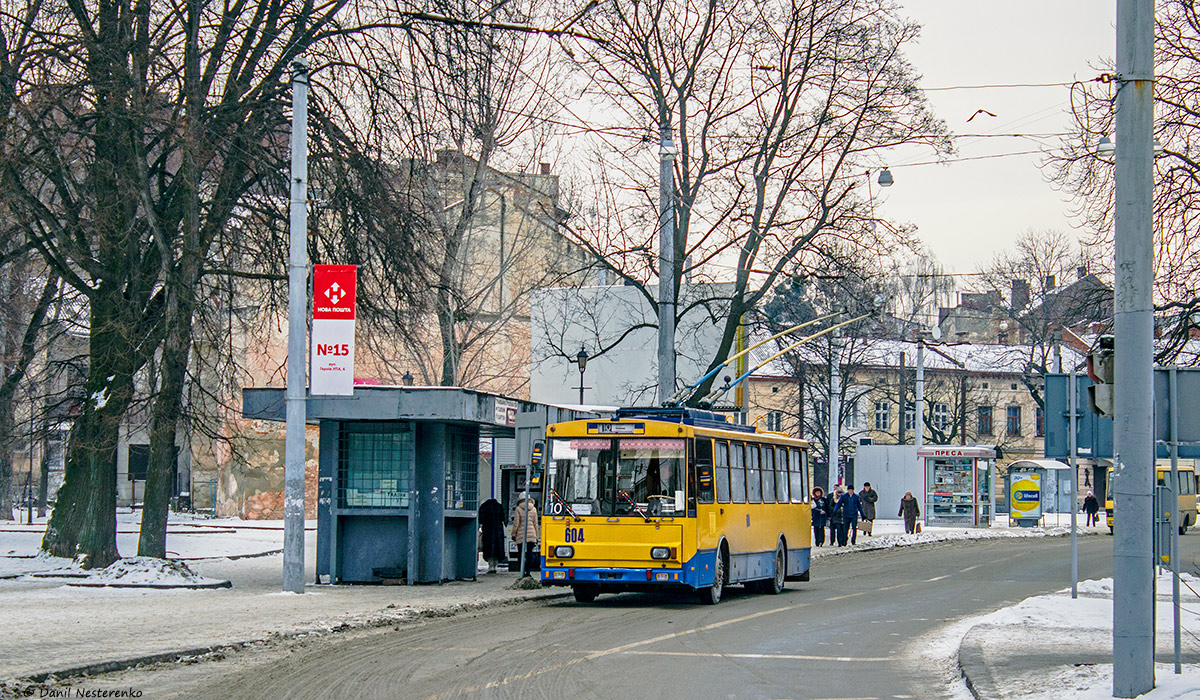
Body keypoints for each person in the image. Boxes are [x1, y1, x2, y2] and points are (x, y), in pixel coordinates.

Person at [511, 493, 541, 575]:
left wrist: (513, 534)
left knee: (521, 553)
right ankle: (528, 571)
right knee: (529, 553)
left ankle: (522, 570)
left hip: (521, 534)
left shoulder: (518, 509)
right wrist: (537, 536)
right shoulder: (533, 509)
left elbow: (516, 523)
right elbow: (536, 524)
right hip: (532, 534)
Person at [478, 498, 505, 573]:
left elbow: (480, 519)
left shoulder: (484, 507)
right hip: (498, 531)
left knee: (488, 547)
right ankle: (495, 565)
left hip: (488, 530)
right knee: (498, 548)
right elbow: (503, 518)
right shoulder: (499, 506)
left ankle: (490, 565)